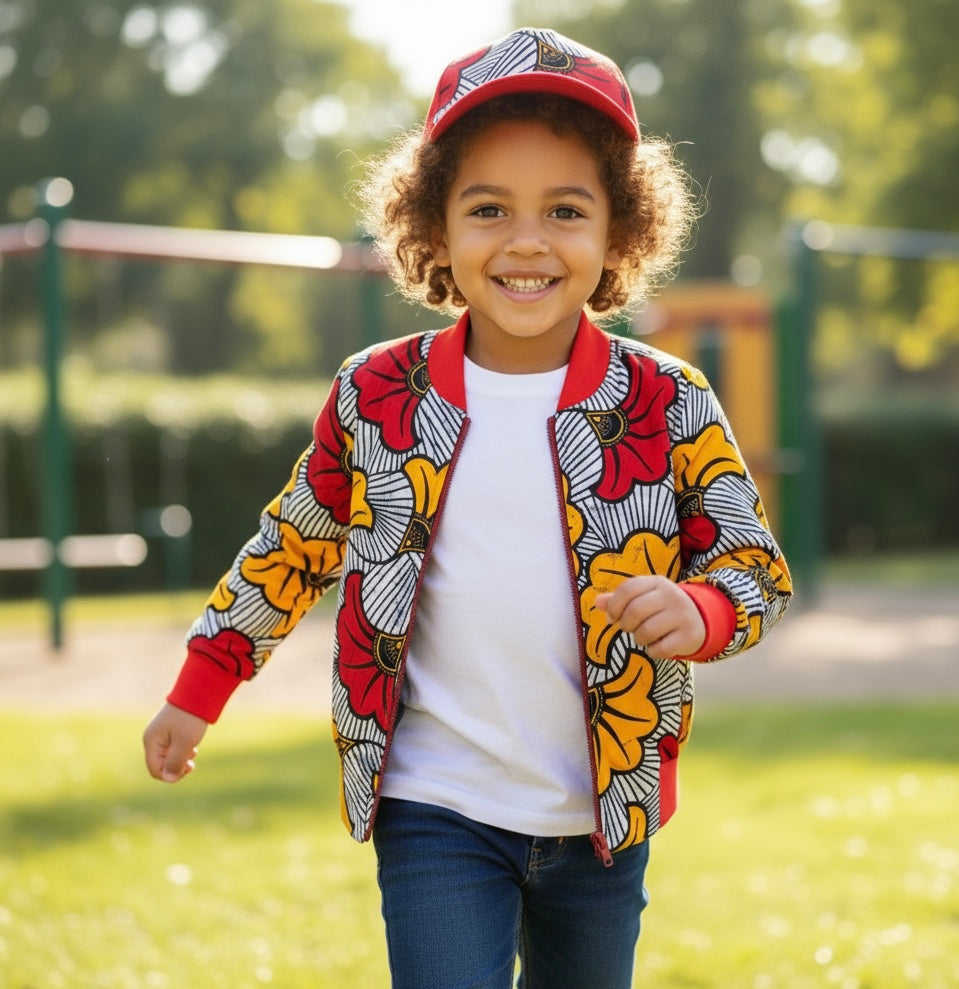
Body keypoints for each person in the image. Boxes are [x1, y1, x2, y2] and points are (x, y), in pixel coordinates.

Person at [143, 26, 792, 989]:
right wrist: (201, 686)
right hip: (431, 803)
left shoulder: (669, 401)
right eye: (488, 208)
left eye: (564, 210)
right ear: (432, 227)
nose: (526, 241)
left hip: (599, 815)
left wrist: (698, 610)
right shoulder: (378, 395)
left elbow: (754, 571)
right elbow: (293, 544)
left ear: (618, 230)